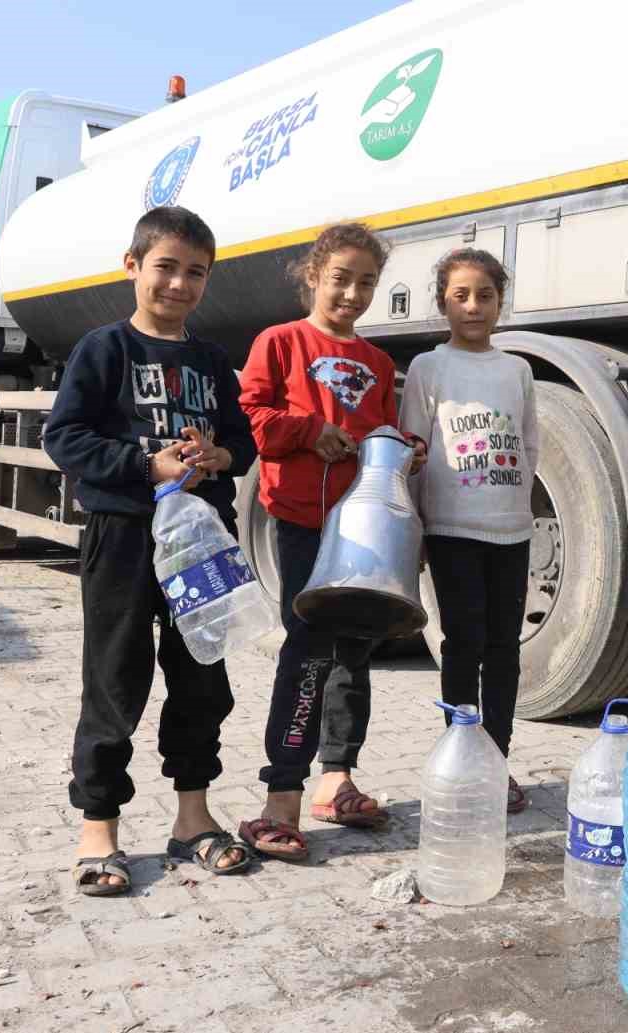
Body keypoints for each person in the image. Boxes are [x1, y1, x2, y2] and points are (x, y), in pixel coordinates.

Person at [45, 205, 257, 894]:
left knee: (203, 679)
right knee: (114, 679)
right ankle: (99, 826)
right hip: (125, 538)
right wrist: (148, 465)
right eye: (165, 266)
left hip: (200, 544)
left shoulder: (210, 360)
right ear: (132, 265)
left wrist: (219, 452)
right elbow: (66, 437)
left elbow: (242, 441)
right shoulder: (104, 349)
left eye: (196, 272)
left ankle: (192, 819)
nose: (179, 284)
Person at [236, 222, 425, 861]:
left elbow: (382, 437)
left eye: (366, 282)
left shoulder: (376, 361)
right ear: (313, 275)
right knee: (308, 646)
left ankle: (337, 778)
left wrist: (405, 452)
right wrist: (311, 431)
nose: (352, 293)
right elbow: (254, 420)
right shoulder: (280, 342)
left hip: (362, 529)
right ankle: (280, 797)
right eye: (340, 278)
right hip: (300, 520)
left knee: (356, 647)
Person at [400, 248, 539, 814]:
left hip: (510, 530)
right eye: (461, 295)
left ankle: (497, 763)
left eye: (485, 294)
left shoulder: (517, 370)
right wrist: (415, 530)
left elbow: (530, 444)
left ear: (501, 302)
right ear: (443, 304)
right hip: (453, 530)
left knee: (505, 649)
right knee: (463, 645)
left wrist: (515, 502)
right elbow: (413, 449)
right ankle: (461, 756)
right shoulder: (429, 369)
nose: (474, 306)